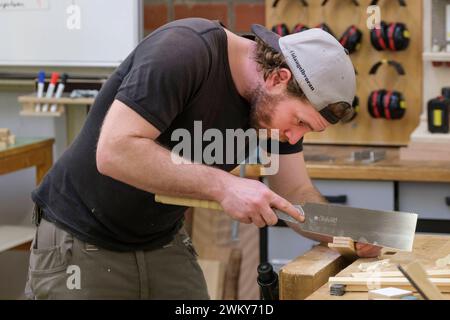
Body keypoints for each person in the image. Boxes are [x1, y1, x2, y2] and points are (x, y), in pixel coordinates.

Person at [26, 18, 380, 300]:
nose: (294, 138)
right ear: (277, 78)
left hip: (159, 240)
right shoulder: (184, 51)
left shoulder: (274, 110)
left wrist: (348, 229)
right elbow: (114, 151)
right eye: (300, 122)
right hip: (81, 238)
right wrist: (223, 185)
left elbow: (296, 192)